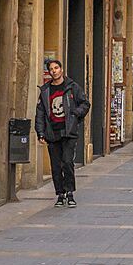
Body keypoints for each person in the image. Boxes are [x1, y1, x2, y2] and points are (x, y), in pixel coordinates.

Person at [35, 59, 90, 207]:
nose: (54, 71)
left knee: (67, 162)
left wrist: (75, 114)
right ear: (49, 72)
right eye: (51, 69)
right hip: (52, 132)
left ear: (61, 70)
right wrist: (40, 132)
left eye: (56, 68)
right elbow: (40, 113)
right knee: (56, 166)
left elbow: (85, 103)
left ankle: (70, 192)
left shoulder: (71, 87)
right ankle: (60, 194)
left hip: (68, 131)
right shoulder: (45, 91)